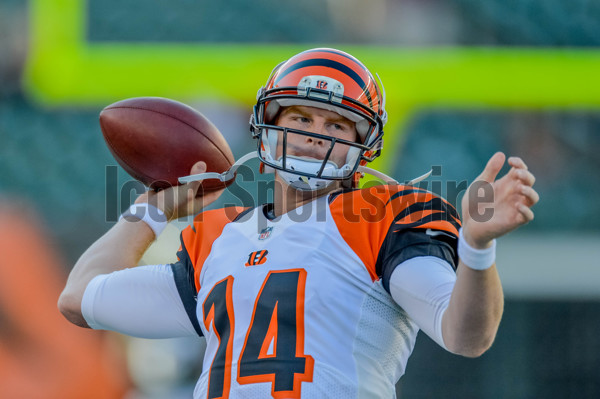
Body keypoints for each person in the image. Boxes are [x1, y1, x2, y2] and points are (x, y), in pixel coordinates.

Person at [59, 48, 539, 398]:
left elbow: (465, 335)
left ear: (363, 148)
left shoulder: (381, 219)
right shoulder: (218, 237)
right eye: (302, 118)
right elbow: (79, 298)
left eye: (336, 126)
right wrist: (153, 208)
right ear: (266, 128)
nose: (315, 137)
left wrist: (476, 247)